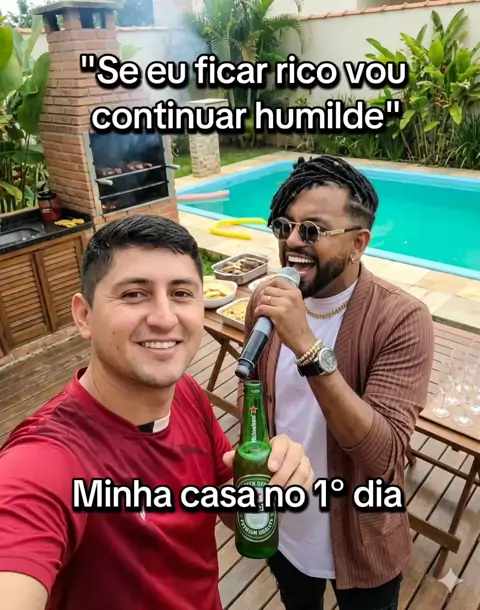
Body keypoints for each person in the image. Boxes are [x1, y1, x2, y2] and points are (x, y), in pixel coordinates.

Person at [0, 215, 314, 610]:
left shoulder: (187, 394)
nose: (165, 318)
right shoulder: (46, 461)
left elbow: (232, 512)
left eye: (181, 293)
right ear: (84, 316)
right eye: (134, 294)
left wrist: (271, 487)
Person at [238, 155, 435, 610]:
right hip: (285, 531)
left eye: (312, 231)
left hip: (362, 541)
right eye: (285, 226)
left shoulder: (402, 318)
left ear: (357, 243)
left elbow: (384, 456)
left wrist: (306, 345)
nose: (293, 241)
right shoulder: (266, 301)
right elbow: (256, 404)